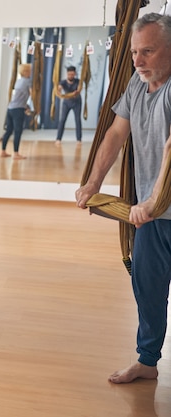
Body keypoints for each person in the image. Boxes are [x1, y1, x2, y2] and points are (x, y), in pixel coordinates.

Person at [75, 13, 171, 384]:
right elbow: (116, 133)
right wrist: (92, 183)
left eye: (147, 51)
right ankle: (147, 362)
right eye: (134, 52)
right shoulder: (136, 83)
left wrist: (154, 201)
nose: (138, 61)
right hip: (149, 216)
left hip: (155, 208)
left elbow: (170, 148)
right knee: (146, 290)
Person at [0, 63, 32, 160]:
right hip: (18, 110)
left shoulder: (18, 81)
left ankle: (3, 151)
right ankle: (16, 153)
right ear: (26, 72)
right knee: (18, 131)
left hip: (10, 108)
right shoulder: (27, 81)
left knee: (9, 130)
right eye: (30, 70)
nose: (31, 72)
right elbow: (32, 94)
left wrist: (26, 106)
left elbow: (19, 96)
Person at [55, 65, 82, 144]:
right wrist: (58, 91)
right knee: (62, 120)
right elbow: (59, 88)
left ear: (75, 74)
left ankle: (79, 139)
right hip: (66, 103)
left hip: (77, 102)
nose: (71, 76)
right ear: (67, 74)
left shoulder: (78, 81)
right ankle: (58, 139)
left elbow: (80, 88)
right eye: (69, 74)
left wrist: (76, 92)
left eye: (72, 74)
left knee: (77, 120)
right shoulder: (63, 82)